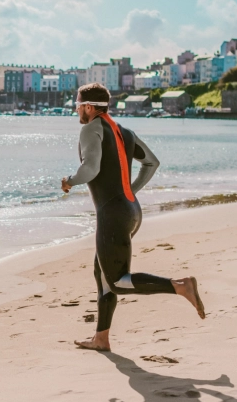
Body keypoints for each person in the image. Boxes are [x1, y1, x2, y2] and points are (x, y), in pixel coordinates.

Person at [61, 83, 204, 352]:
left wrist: (69, 181)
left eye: (78, 106)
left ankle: (181, 286)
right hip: (131, 210)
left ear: (89, 107)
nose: (77, 110)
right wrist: (129, 191)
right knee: (102, 273)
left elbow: (90, 169)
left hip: (114, 214)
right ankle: (101, 338)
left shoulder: (90, 128)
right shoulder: (124, 132)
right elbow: (152, 162)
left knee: (117, 282)